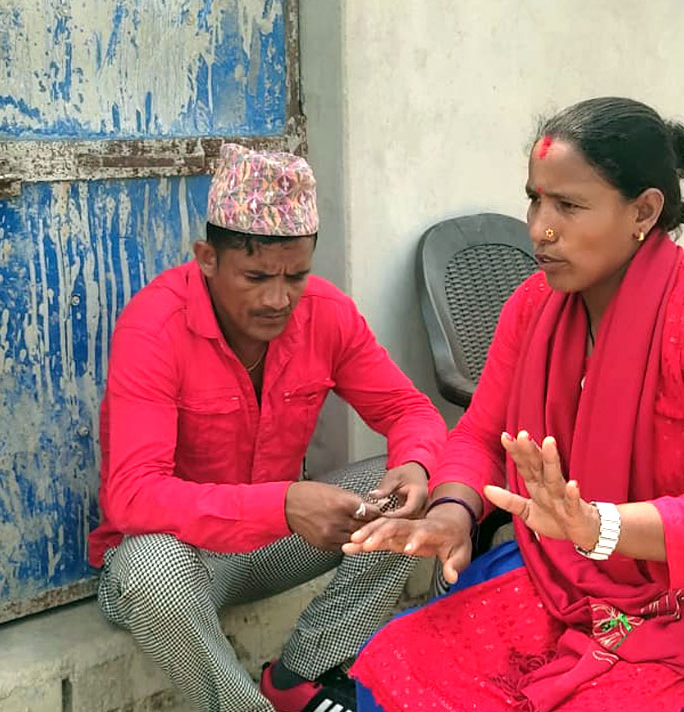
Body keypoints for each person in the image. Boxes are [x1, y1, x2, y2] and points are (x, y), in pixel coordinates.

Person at [344, 98, 684, 712]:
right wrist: (452, 512)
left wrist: (601, 527)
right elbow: (479, 435)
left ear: (644, 211)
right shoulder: (533, 306)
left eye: (569, 206)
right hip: (574, 583)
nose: (540, 229)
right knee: (396, 662)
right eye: (535, 200)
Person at [88, 143, 447, 712]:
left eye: (295, 276)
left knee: (412, 490)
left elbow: (410, 411)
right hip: (187, 561)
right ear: (208, 258)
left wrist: (417, 464)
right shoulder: (154, 328)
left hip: (274, 547)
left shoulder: (326, 314)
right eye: (255, 277)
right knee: (149, 568)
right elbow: (131, 496)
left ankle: (302, 677)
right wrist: (283, 504)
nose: (278, 299)